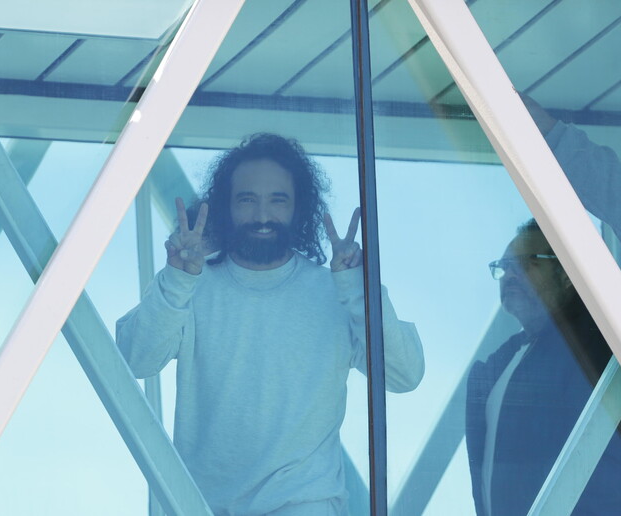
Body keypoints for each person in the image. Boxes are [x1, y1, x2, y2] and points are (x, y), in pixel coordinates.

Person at [116, 133, 424, 516]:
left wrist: (358, 290)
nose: (263, 215)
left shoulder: (336, 291)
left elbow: (405, 374)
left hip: (305, 504)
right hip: (203, 506)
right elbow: (133, 360)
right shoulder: (190, 284)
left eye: (278, 200)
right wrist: (177, 279)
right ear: (227, 207)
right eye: (247, 200)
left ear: (299, 209)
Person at [466, 95, 621, 515]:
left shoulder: (611, 344)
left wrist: (554, 140)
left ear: (568, 274)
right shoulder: (494, 369)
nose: (511, 274)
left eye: (528, 263)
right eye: (504, 267)